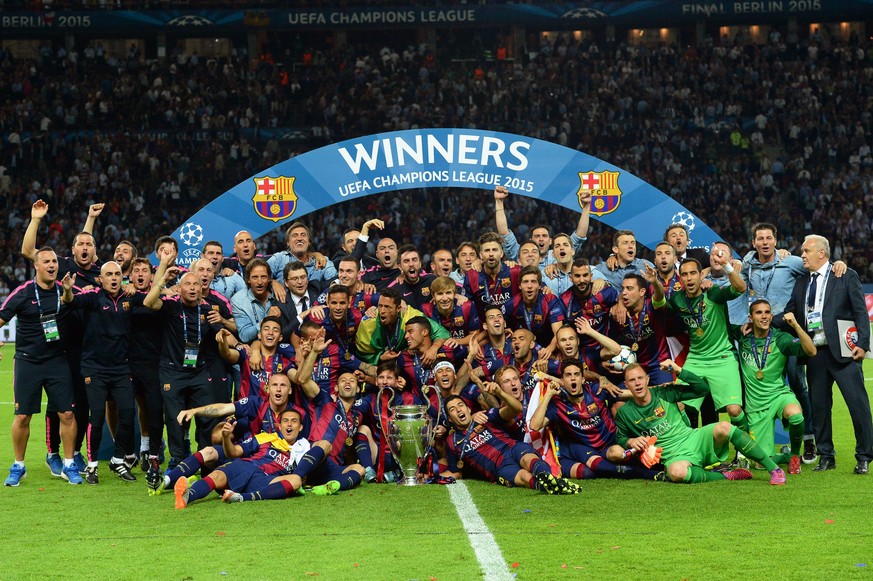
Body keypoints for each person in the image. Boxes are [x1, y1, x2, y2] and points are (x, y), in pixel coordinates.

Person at [742, 223, 847, 464]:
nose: (765, 242)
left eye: (769, 237)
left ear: (776, 241)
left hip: (786, 334)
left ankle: (808, 438)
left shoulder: (790, 262)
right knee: (752, 387)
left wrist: (840, 263)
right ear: (754, 243)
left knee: (799, 384)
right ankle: (748, 443)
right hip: (758, 336)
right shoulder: (748, 264)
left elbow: (821, 267)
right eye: (760, 238)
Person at [778, 234, 873, 474]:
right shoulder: (801, 283)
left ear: (821, 253)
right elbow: (790, 313)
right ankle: (826, 455)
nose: (802, 255)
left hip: (844, 351)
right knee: (819, 406)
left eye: (806, 251)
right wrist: (765, 320)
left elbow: (861, 312)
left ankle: (864, 456)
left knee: (857, 405)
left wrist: (863, 343)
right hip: (815, 352)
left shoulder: (845, 275)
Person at [615, 361, 787, 485]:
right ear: (626, 385)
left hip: (694, 438)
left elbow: (703, 389)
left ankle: (774, 469)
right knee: (676, 473)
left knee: (724, 427)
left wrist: (680, 371)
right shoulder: (625, 413)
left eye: (640, 378)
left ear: (647, 379)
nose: (637, 383)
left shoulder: (664, 393)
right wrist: (630, 441)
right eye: (632, 380)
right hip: (674, 456)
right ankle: (725, 476)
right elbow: (621, 437)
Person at [0, 247, 82, 485]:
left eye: (54, 261)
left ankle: (68, 464)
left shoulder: (65, 289)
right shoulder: (23, 292)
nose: (52, 265)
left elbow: (84, 298)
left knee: (67, 413)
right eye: (46, 261)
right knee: (23, 416)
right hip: (28, 361)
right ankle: (19, 465)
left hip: (57, 360)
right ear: (36, 265)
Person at [61, 261, 144, 484]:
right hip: (94, 368)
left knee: (128, 413)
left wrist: (162, 280)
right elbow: (70, 301)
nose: (114, 278)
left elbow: (152, 300)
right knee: (96, 416)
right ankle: (92, 465)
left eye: (118, 274)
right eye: (109, 274)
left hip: (120, 368)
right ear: (101, 279)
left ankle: (118, 459)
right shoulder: (92, 297)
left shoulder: (129, 297)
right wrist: (68, 289)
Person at [144, 253, 225, 466]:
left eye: (195, 284)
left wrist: (224, 332)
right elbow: (148, 301)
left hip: (199, 371)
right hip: (172, 371)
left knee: (207, 417)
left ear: (201, 289)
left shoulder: (207, 309)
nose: (191, 287)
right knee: (174, 419)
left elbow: (223, 332)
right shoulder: (171, 305)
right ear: (179, 288)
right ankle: (179, 462)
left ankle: (205, 459)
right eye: (187, 284)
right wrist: (161, 281)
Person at [652, 256, 747, 429]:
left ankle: (743, 452)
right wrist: (655, 284)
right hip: (696, 358)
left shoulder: (713, 293)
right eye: (685, 274)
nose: (689, 278)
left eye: (693, 273)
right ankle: (688, 446)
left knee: (733, 410)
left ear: (701, 275)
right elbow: (659, 304)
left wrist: (726, 265)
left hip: (723, 357)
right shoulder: (678, 299)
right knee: (678, 406)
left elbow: (740, 288)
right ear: (680, 278)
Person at [529, 359, 664, 480]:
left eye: (576, 374)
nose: (573, 379)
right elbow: (534, 426)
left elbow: (627, 394)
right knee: (591, 469)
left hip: (609, 443)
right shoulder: (558, 404)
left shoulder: (597, 391)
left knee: (617, 453)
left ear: (582, 379)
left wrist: (660, 390)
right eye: (568, 375)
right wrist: (548, 395)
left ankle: (642, 462)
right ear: (562, 381)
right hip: (585, 448)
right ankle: (645, 473)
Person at [731, 300, 816, 474]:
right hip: (756, 405)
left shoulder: (780, 338)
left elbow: (811, 351)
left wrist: (796, 326)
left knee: (795, 415)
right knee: (761, 464)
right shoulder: (742, 335)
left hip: (778, 396)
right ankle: (782, 457)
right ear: (750, 317)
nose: (764, 316)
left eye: (767, 312)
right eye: (759, 313)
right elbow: (721, 323)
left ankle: (793, 455)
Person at [438, 395, 580, 494]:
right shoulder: (452, 441)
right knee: (524, 478)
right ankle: (552, 485)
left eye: (460, 405)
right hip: (499, 468)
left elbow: (516, 408)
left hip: (511, 448)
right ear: (450, 419)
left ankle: (547, 477)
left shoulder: (485, 416)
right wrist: (430, 478)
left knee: (527, 460)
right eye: (452, 409)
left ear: (468, 409)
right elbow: (455, 471)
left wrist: (499, 392)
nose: (458, 410)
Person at [493, 185, 590, 268]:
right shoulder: (522, 253)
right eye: (537, 236)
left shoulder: (559, 253)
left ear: (550, 241)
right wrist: (499, 201)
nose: (541, 239)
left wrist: (586, 206)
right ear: (531, 240)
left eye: (544, 236)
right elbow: (504, 233)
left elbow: (579, 235)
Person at [355, 287, 449, 365]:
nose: (382, 311)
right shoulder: (368, 323)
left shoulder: (410, 316)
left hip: (406, 363)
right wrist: (379, 358)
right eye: (380, 306)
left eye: (387, 307)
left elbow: (442, 333)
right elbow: (360, 354)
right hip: (379, 368)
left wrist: (433, 349)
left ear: (398, 308)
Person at [608, 272, 672, 385]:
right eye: (623, 289)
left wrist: (655, 282)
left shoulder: (652, 307)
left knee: (668, 396)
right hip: (631, 369)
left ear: (642, 292)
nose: (624, 293)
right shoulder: (617, 315)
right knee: (618, 399)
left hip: (659, 366)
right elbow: (611, 344)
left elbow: (660, 297)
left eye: (629, 289)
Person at [504, 265, 565, 357]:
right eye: (525, 282)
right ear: (520, 286)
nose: (529, 286)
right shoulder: (511, 304)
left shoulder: (550, 301)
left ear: (540, 285)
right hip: (522, 350)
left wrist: (548, 350)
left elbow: (559, 332)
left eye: (533, 282)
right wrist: (504, 330)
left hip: (547, 347)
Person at [463, 231, 521, 319]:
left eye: (494, 250)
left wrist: (544, 287)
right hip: (485, 328)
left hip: (514, 327)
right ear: (481, 255)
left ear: (501, 253)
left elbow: (534, 283)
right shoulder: (472, 276)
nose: (491, 254)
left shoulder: (515, 271)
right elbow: (467, 305)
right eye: (487, 250)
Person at [267, 222, 336, 291]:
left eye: (303, 235)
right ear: (288, 242)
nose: (299, 238)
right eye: (295, 235)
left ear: (309, 241)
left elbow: (336, 281)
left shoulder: (322, 261)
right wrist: (273, 282)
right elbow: (260, 274)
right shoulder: (279, 258)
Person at [231, 257, 279, 343]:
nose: (260, 282)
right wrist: (267, 319)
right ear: (248, 279)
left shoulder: (279, 293)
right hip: (252, 348)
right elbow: (245, 336)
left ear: (269, 279)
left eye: (263, 277)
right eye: (255, 277)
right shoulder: (238, 300)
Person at [421, 276, 479, 345]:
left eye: (448, 293)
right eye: (440, 294)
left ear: (454, 294)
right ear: (433, 296)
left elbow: (475, 335)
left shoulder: (467, 307)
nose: (445, 298)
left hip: (463, 349)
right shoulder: (425, 310)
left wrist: (457, 341)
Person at [272, 261, 319, 341]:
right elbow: (282, 335)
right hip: (294, 347)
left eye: (303, 277)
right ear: (286, 283)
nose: (300, 282)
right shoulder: (280, 305)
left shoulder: (317, 288)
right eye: (295, 279)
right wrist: (302, 316)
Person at [389, 244, 436, 310]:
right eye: (406, 261)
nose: (411, 264)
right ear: (400, 267)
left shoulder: (432, 280)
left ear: (420, 264)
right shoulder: (393, 290)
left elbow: (449, 288)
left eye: (414, 260)